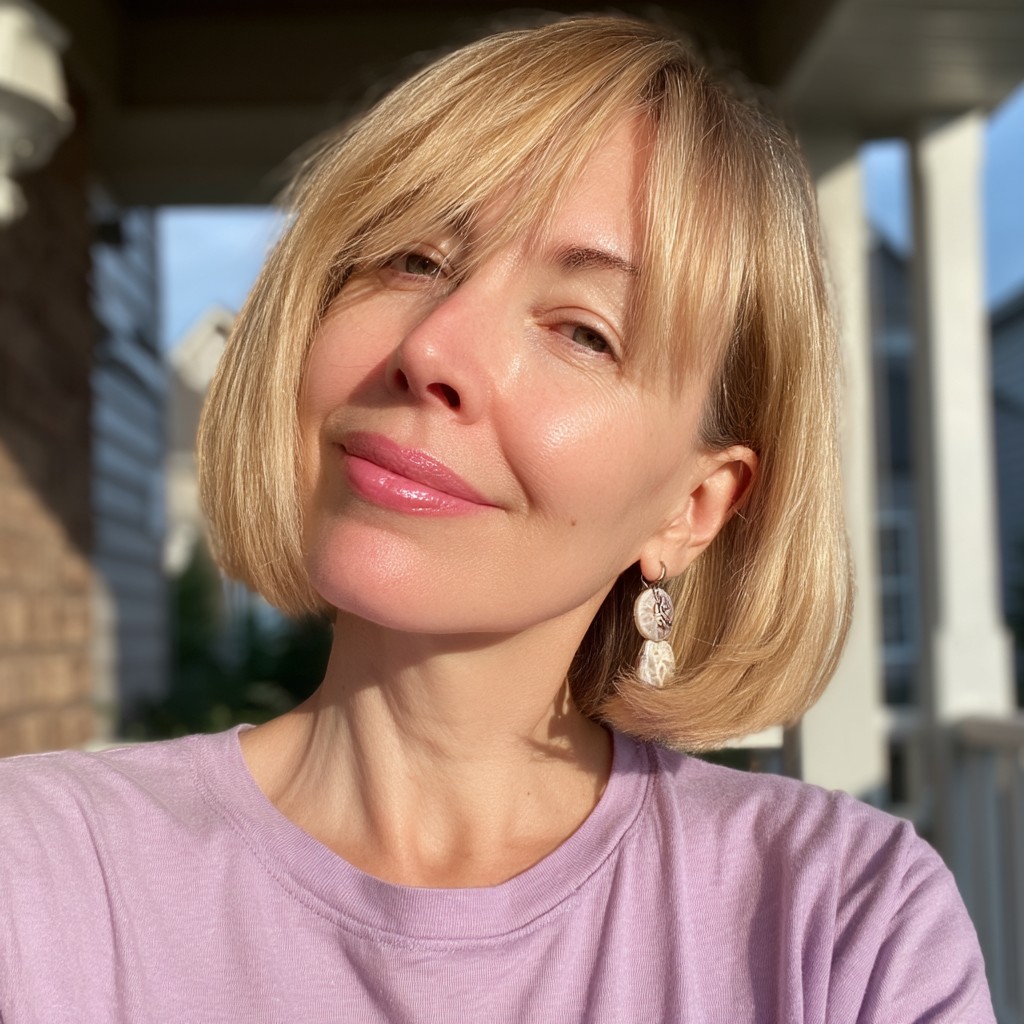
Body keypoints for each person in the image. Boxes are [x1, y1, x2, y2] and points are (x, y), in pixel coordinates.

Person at [0, 15, 995, 1023]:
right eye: (413, 259)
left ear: (692, 507)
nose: (432, 347)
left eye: (583, 332)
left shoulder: (841, 925)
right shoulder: (38, 875)